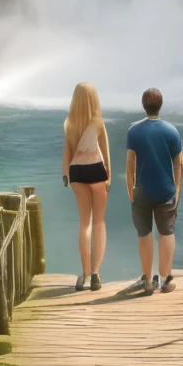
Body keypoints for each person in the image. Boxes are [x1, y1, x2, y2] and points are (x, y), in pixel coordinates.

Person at [124, 86, 183, 293]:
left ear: (143, 105)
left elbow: (130, 163)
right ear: (161, 105)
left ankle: (148, 281)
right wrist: (178, 189)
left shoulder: (134, 131)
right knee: (167, 233)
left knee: (144, 234)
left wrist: (130, 188)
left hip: (142, 191)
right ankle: (165, 280)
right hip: (166, 191)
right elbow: (179, 163)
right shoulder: (171, 131)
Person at [62, 81, 109, 291]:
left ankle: (85, 274)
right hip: (96, 170)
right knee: (99, 222)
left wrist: (66, 176)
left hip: (77, 173)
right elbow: (105, 150)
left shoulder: (69, 123)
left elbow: (67, 152)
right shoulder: (98, 121)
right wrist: (108, 175)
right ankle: (97, 274)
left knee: (84, 223)